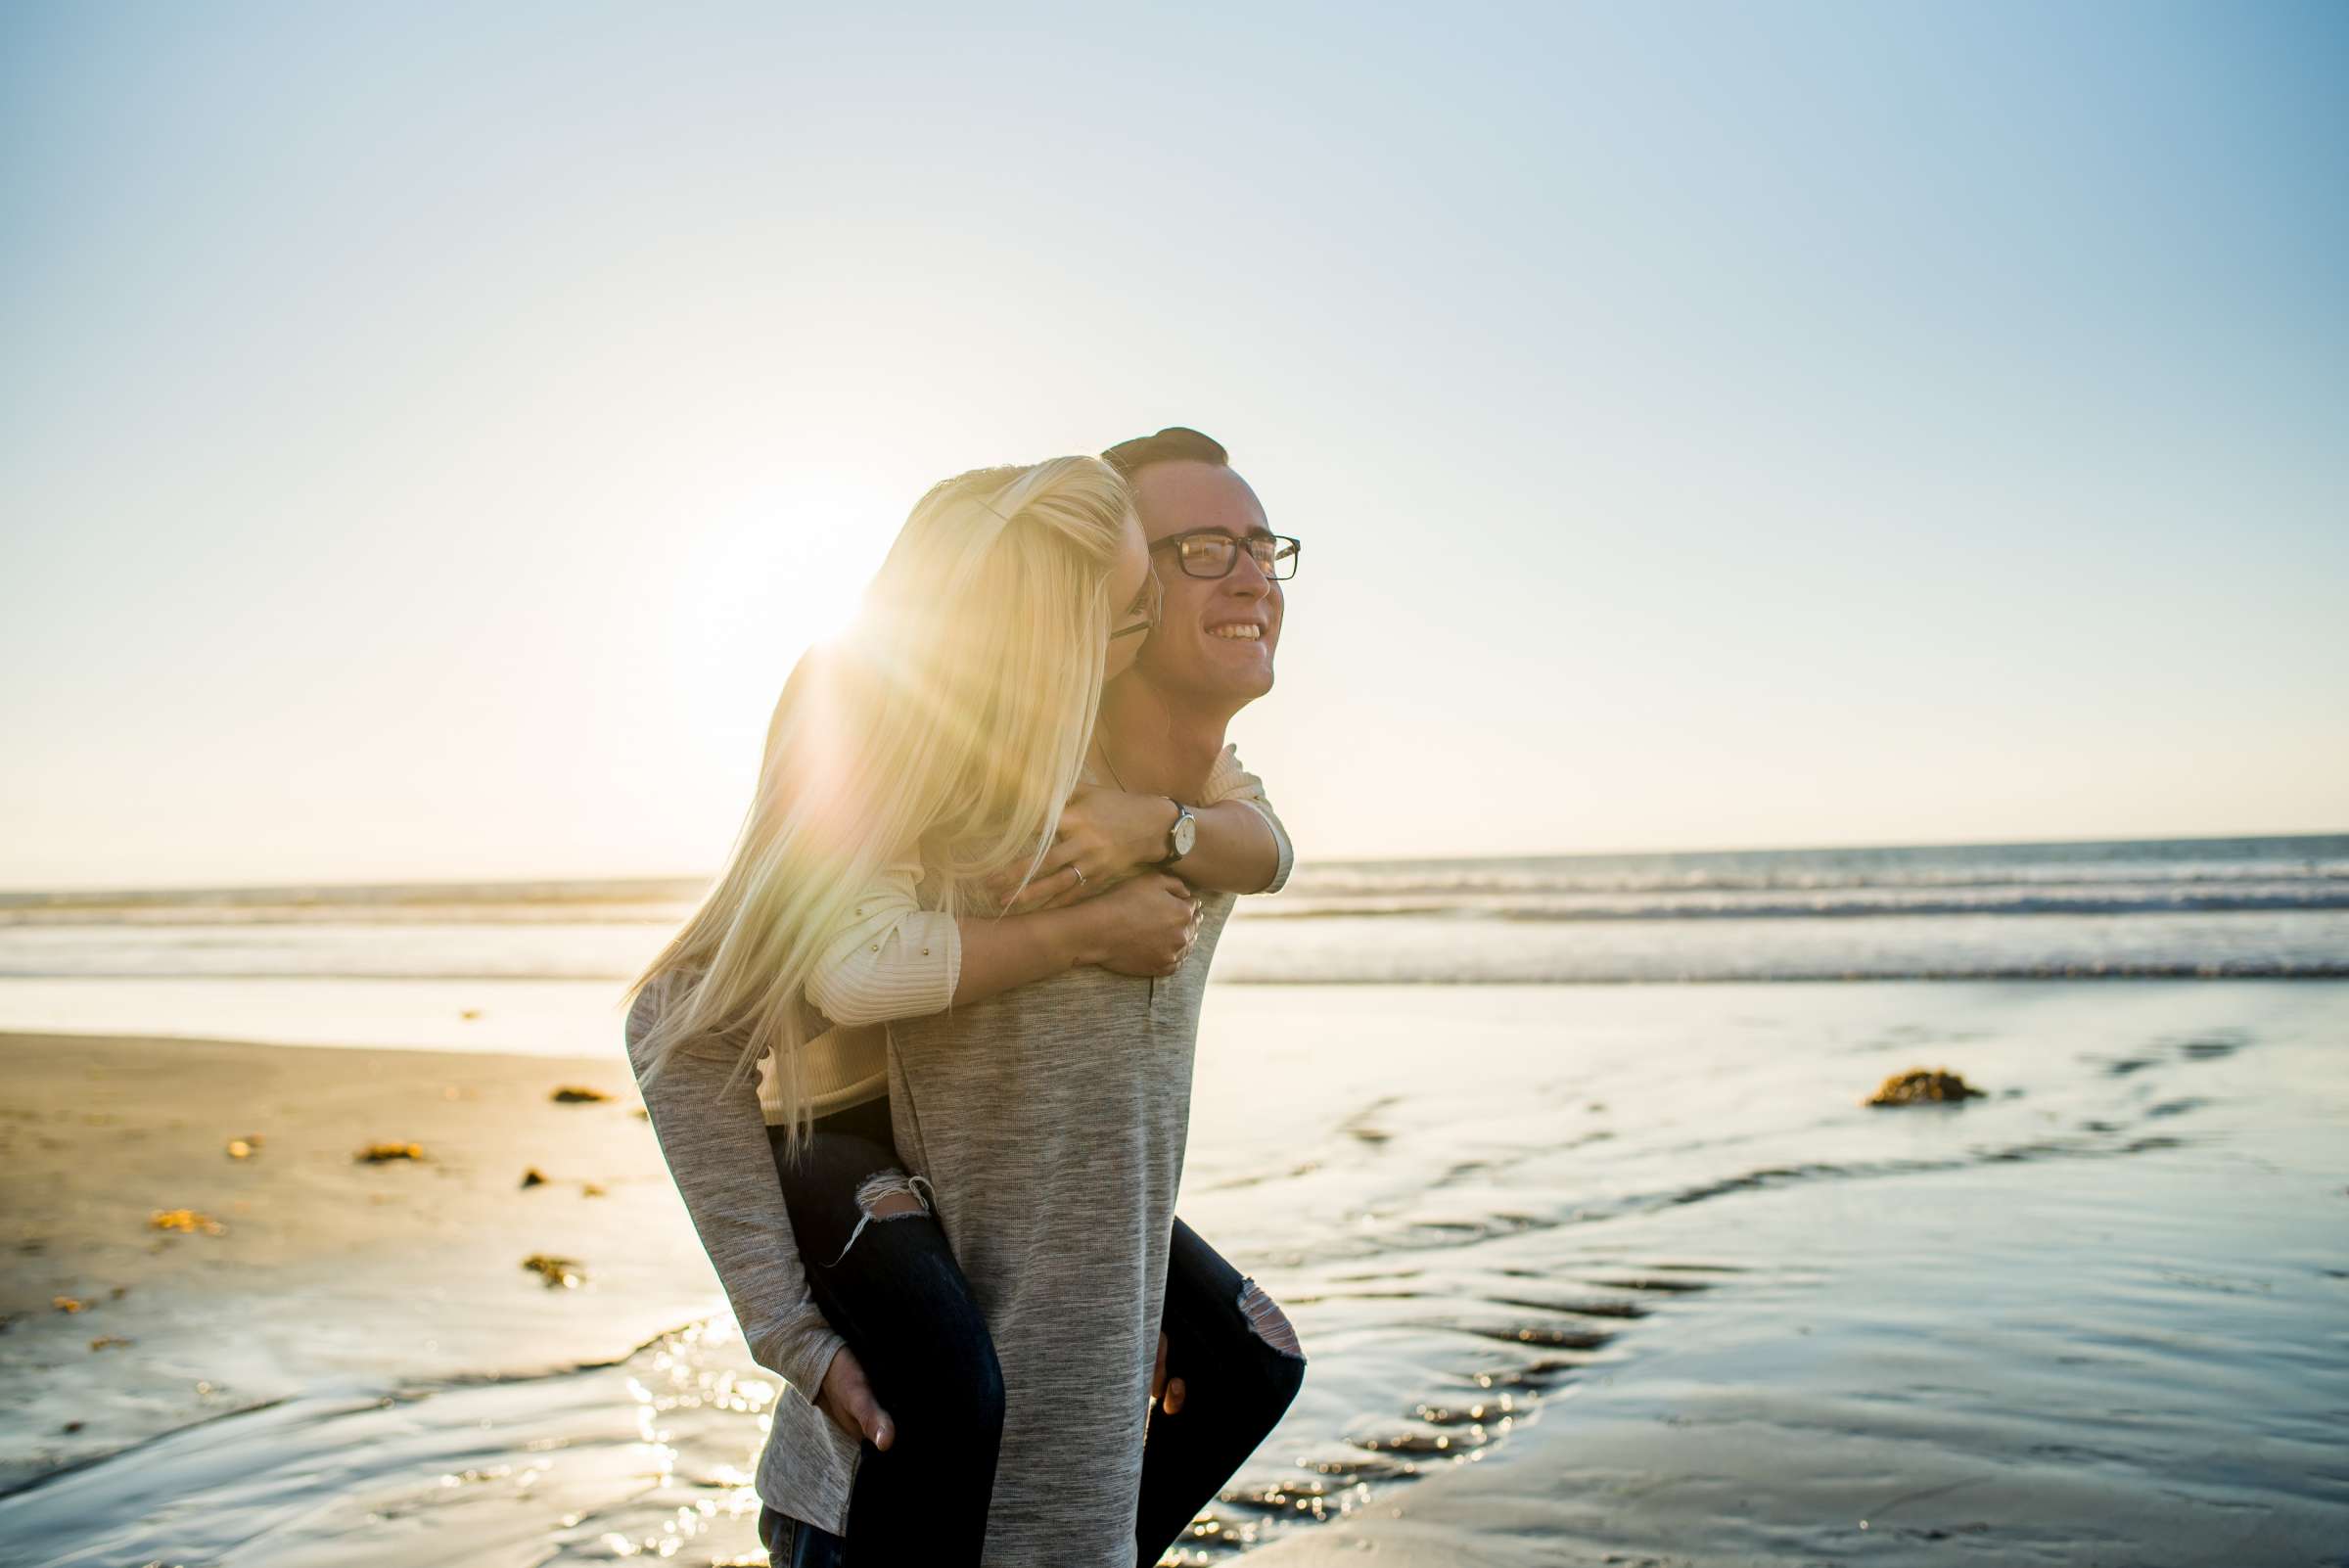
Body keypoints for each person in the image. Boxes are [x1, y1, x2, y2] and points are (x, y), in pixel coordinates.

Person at [623, 438, 1305, 1565]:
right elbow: (679, 1025)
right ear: (1080, 622)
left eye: (1260, 546)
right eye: (1194, 553)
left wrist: (1169, 832)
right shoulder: (957, 820)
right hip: (889, 1510)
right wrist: (790, 1335)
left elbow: (1272, 846)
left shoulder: (1206, 818)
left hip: (1072, 1518)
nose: (1248, 575)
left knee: (1258, 1355)